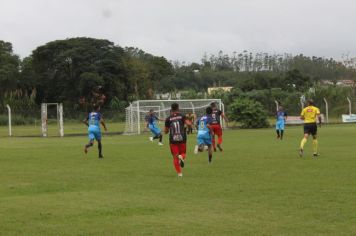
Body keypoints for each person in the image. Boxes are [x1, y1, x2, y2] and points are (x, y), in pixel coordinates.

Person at [165, 103, 188, 177]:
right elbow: (189, 124)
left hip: (172, 139)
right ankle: (181, 157)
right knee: (183, 153)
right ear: (178, 108)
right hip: (182, 138)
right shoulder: (182, 116)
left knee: (175, 156)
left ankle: (179, 173)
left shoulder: (168, 118)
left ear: (171, 109)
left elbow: (166, 131)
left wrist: (167, 130)